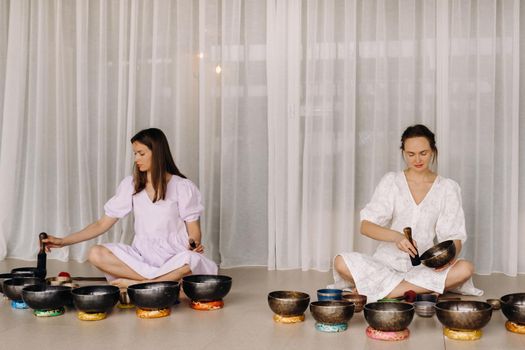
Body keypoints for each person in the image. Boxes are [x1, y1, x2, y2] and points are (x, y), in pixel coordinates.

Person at [44, 128, 218, 288]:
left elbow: (194, 230)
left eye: (141, 153)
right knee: (95, 253)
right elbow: (101, 225)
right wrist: (63, 241)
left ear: (157, 153)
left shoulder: (183, 186)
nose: (136, 159)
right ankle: (154, 282)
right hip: (142, 257)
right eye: (135, 154)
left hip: (175, 255)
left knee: (192, 261)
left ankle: (141, 283)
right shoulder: (131, 185)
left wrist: (193, 244)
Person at [332, 124, 480, 302]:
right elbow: (366, 226)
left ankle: (383, 290)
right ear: (403, 152)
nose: (417, 159)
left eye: (423, 153)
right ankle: (417, 289)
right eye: (411, 154)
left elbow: (454, 235)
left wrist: (449, 258)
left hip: (423, 266)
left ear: (433, 150)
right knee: (340, 261)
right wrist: (396, 237)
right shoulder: (391, 182)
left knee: (465, 268)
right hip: (385, 264)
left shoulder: (448, 187)